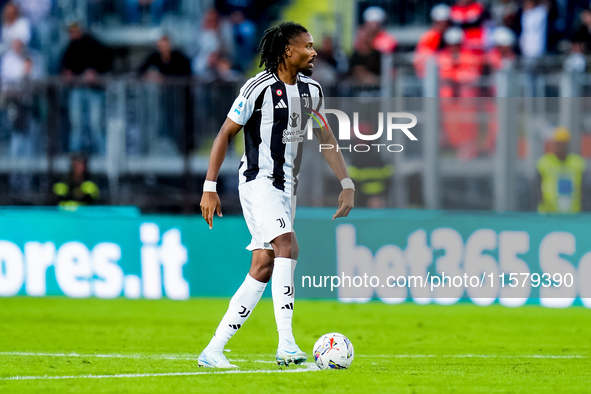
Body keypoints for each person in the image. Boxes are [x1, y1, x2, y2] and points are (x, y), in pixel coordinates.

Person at [198, 21, 355, 369]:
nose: (313, 52)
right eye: (307, 46)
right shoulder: (258, 88)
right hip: (257, 182)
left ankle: (213, 350)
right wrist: (210, 187)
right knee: (287, 244)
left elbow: (325, 138)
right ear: (287, 50)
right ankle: (286, 344)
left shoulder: (312, 91)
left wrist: (346, 183)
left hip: (287, 189)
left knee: (264, 264)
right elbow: (224, 134)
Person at [61, 22, 112, 154]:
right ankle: (76, 158)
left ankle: (102, 156)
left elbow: (107, 63)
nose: (72, 33)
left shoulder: (94, 44)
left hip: (94, 91)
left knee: (96, 125)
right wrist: (67, 74)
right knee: (76, 125)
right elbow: (64, 70)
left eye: (74, 30)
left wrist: (95, 73)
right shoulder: (69, 48)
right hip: (77, 89)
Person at [537, 127, 585, 213]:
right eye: (558, 143)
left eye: (563, 144)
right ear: (554, 144)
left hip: (573, 213)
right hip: (549, 213)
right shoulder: (544, 163)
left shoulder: (577, 163)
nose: (561, 147)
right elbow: (537, 188)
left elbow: (583, 188)